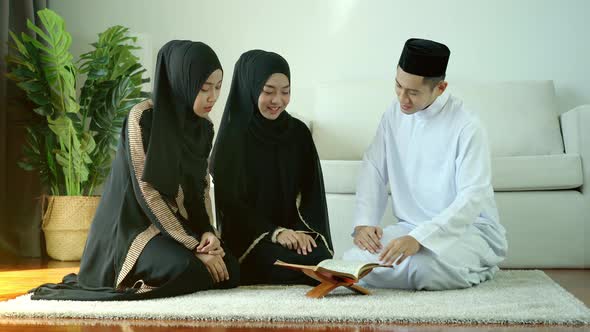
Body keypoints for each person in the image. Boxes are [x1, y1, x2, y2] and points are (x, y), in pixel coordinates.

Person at [31, 40, 239, 300]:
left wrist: (208, 233)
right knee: (188, 268)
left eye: (218, 87)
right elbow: (147, 192)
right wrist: (194, 246)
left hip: (178, 227)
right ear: (181, 81)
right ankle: (135, 276)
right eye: (204, 87)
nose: (213, 97)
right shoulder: (142, 118)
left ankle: (188, 259)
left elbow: (199, 189)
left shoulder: (203, 127)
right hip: (135, 228)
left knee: (230, 267)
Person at [342, 38, 507, 290]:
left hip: (468, 230)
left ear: (440, 87)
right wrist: (364, 222)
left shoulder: (467, 126)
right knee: (353, 261)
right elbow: (373, 167)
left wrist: (420, 239)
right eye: (398, 86)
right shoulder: (393, 114)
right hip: (409, 227)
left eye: (413, 92)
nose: (402, 98)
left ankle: (482, 267)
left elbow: (472, 197)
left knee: (424, 268)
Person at [210, 50, 333, 285]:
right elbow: (231, 205)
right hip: (252, 238)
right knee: (281, 262)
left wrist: (300, 234)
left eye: (285, 92)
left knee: (318, 256)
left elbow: (310, 195)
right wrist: (276, 233)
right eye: (268, 91)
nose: (278, 100)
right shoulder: (234, 138)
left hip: (293, 235)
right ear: (250, 88)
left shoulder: (298, 133)